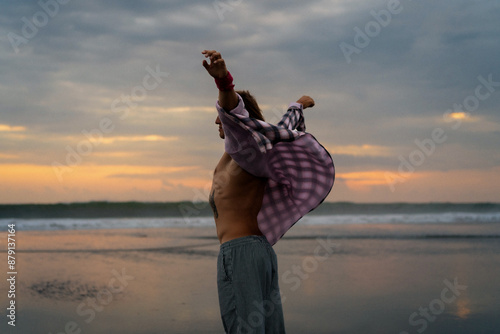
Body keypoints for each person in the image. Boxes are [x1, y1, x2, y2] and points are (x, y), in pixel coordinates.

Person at [202, 50, 335, 334]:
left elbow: (233, 111)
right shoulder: (252, 150)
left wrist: (224, 82)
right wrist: (296, 105)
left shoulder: (244, 149)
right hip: (259, 252)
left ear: (239, 121)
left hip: (240, 253)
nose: (217, 122)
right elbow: (280, 129)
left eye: (222, 118)